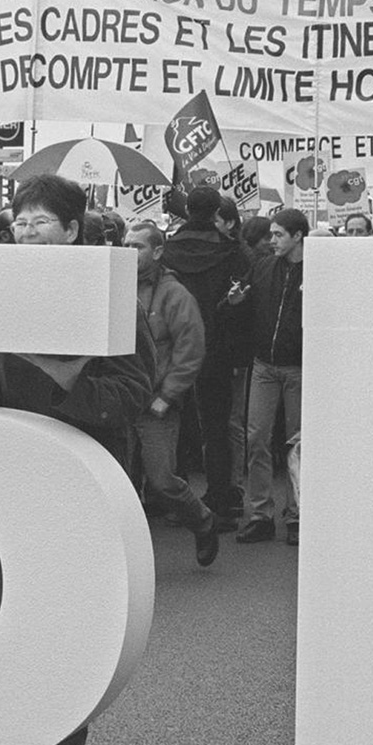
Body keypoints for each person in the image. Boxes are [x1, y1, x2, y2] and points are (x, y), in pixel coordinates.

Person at [0, 173, 152, 745]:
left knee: (67, 630)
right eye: (20, 219)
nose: (27, 229)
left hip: (76, 488)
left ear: (72, 229)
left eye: (42, 220)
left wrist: (62, 391)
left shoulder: (109, 296)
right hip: (1, 488)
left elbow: (130, 392)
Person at [126, 221, 221, 565]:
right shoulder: (115, 284)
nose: (129, 251)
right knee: (119, 481)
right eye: (126, 244)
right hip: (120, 399)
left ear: (158, 251)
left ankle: (203, 520)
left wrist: (167, 396)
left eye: (137, 246)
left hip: (155, 402)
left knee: (163, 481)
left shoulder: (174, 294)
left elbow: (191, 349)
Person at [161, 187, 253, 527]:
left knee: (173, 424)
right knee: (216, 427)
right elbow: (243, 304)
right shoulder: (234, 253)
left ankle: (172, 496)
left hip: (171, 346)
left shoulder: (167, 251)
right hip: (216, 349)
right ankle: (219, 498)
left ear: (187, 209)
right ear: (216, 210)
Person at [224, 208, 307, 545]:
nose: (272, 241)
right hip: (264, 365)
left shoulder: (319, 271)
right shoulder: (262, 266)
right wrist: (236, 302)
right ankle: (261, 513)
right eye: (271, 234)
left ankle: (297, 512)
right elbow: (244, 302)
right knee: (257, 437)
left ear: (298, 235)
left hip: (300, 366)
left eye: (278, 235)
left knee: (298, 444)